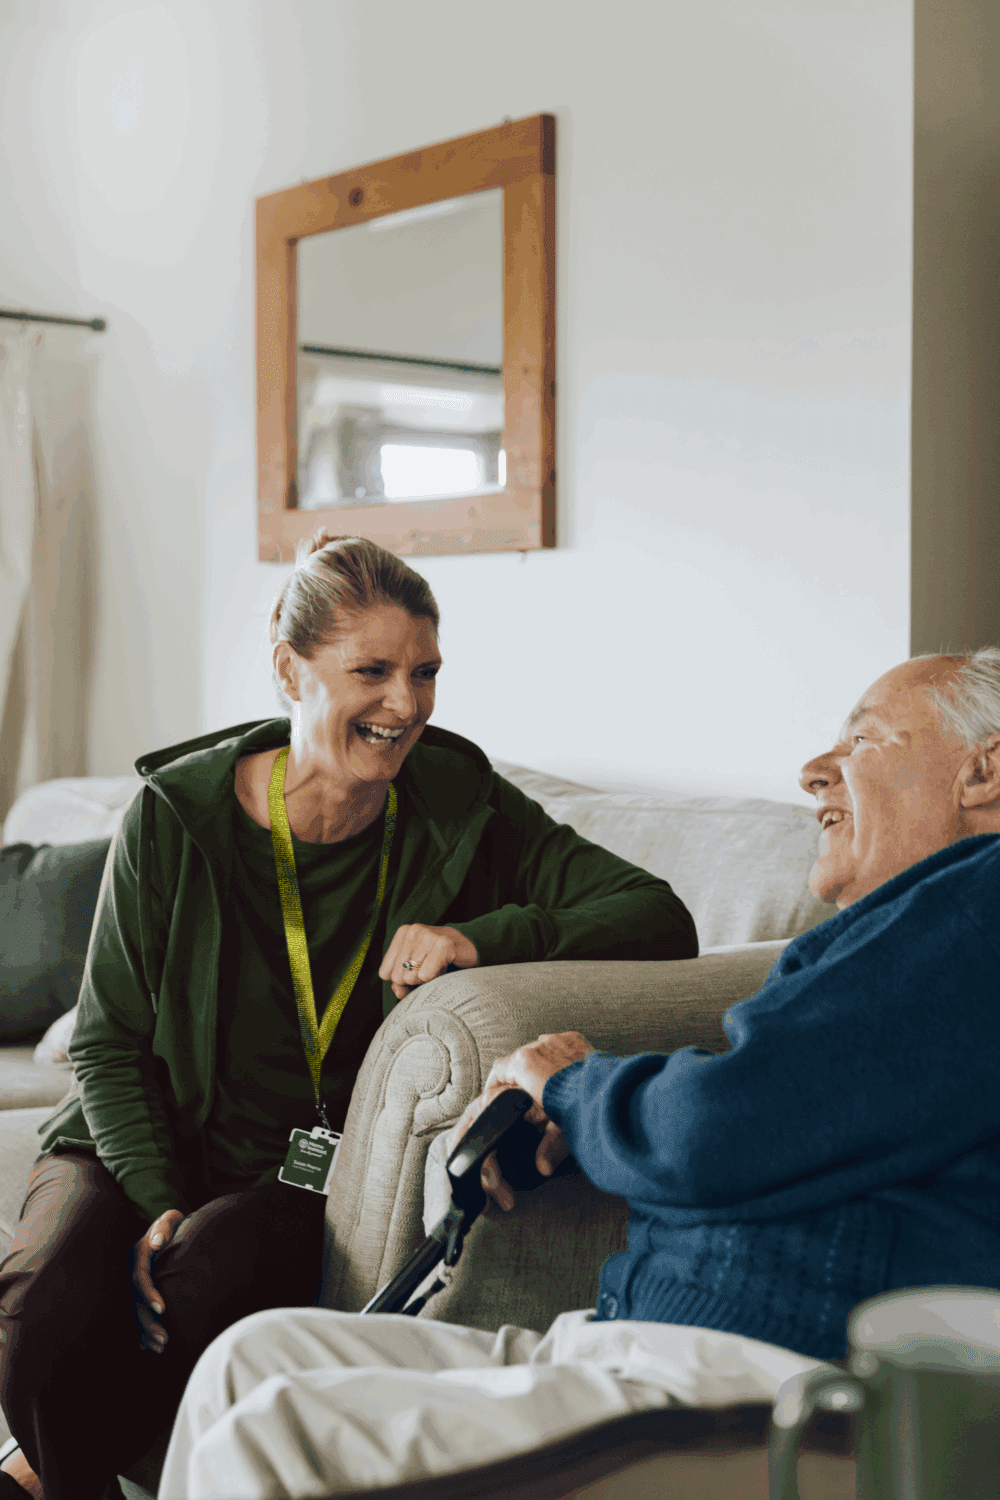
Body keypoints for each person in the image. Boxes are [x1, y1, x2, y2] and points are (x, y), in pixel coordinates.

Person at [156, 649, 1000, 1500]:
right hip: (643, 1339)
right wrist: (588, 1113)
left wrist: (571, 1086)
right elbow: (788, 1104)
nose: (817, 771)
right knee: (250, 1360)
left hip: (763, 1383)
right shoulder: (890, 945)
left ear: (983, 770)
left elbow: (722, 1128)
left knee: (280, 1428)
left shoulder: (976, 906)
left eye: (862, 740)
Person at [0, 532, 697, 1500]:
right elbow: (111, 1043)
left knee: (196, 1287)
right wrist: (155, 1196)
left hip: (291, 1172)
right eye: (370, 670)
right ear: (290, 669)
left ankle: (40, 1473)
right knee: (43, 1308)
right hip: (132, 1143)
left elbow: (659, 917)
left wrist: (485, 936)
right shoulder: (173, 816)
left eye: (425, 672)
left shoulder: (463, 803)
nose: (404, 705)